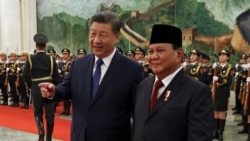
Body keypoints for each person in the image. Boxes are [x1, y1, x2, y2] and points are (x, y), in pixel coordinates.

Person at [38, 11, 144, 141]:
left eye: (103, 35)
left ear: (116, 37)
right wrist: (53, 91)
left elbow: (139, 113)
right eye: (93, 34)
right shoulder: (79, 64)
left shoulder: (132, 69)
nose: (96, 40)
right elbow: (68, 88)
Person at [133, 24, 213, 141]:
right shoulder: (143, 86)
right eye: (150, 51)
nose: (153, 56)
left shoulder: (197, 92)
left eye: (160, 50)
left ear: (179, 54)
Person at [22, 33, 60, 141]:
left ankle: (41, 131)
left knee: (37, 112)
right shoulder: (51, 59)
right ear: (45, 45)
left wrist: (31, 85)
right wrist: (55, 89)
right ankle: (49, 137)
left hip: (36, 88)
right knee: (50, 114)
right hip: (49, 88)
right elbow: (57, 77)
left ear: (36, 45)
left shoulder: (30, 58)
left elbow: (25, 75)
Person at [212, 49, 233, 141]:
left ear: (228, 58)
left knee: (221, 112)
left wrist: (219, 79)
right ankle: (215, 131)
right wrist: (211, 70)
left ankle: (221, 132)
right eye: (220, 55)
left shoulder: (229, 68)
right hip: (215, 91)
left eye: (224, 55)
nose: (221, 57)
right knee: (215, 111)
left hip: (223, 91)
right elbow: (209, 77)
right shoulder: (216, 66)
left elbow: (229, 82)